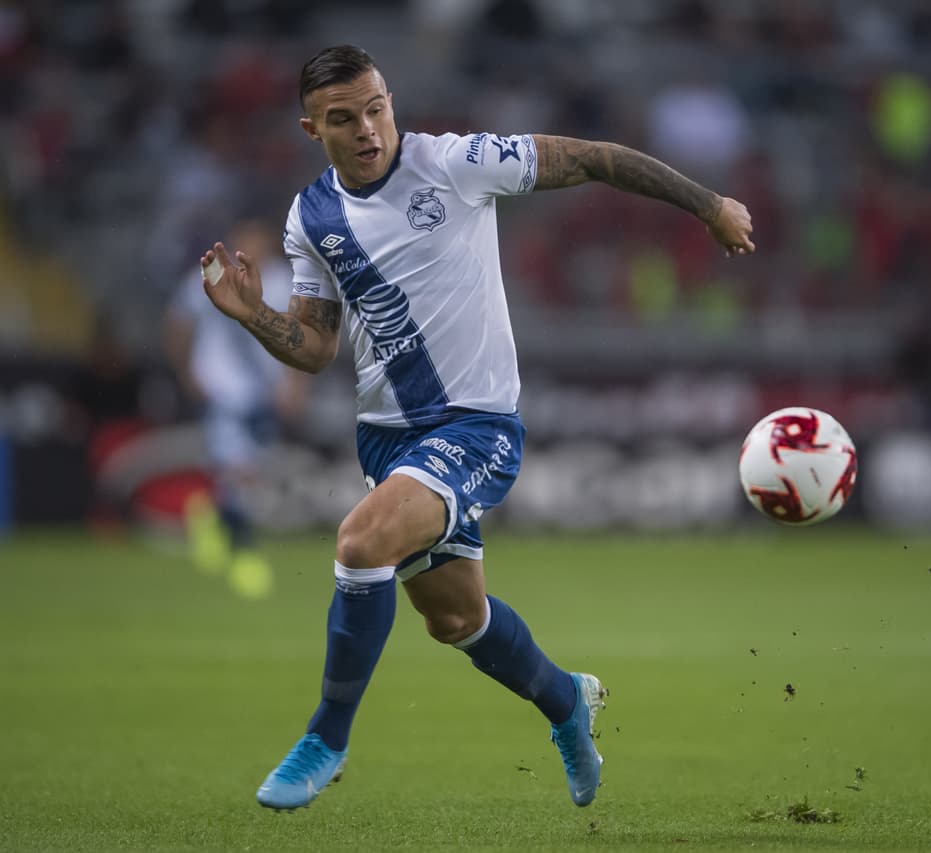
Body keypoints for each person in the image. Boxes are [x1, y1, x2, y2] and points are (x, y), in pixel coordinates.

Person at [198, 44, 754, 812]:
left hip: (476, 424)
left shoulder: (454, 162)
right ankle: (566, 700)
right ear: (310, 128)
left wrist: (707, 204)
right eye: (343, 118)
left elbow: (591, 158)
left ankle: (326, 736)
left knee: (361, 543)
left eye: (376, 107)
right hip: (387, 438)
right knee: (456, 618)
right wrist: (252, 314)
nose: (367, 128)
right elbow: (318, 344)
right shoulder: (311, 218)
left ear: (391, 101)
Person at [168, 216, 307, 599]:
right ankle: (245, 556)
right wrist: (187, 373)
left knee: (251, 471)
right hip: (222, 392)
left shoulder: (282, 279)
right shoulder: (213, 273)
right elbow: (178, 322)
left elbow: (299, 335)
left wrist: (294, 384)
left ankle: (209, 512)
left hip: (265, 394)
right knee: (238, 470)